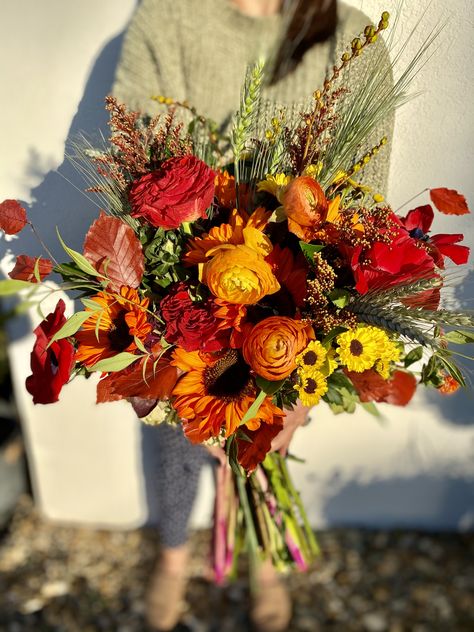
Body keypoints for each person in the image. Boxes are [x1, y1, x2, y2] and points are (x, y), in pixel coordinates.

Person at [112, 1, 393, 630]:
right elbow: (136, 164)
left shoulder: (351, 39)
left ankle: (265, 559)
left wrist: (300, 377)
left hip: (295, 303)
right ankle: (174, 555)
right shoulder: (168, 19)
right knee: (172, 433)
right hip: (185, 283)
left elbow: (362, 221)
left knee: (270, 435)